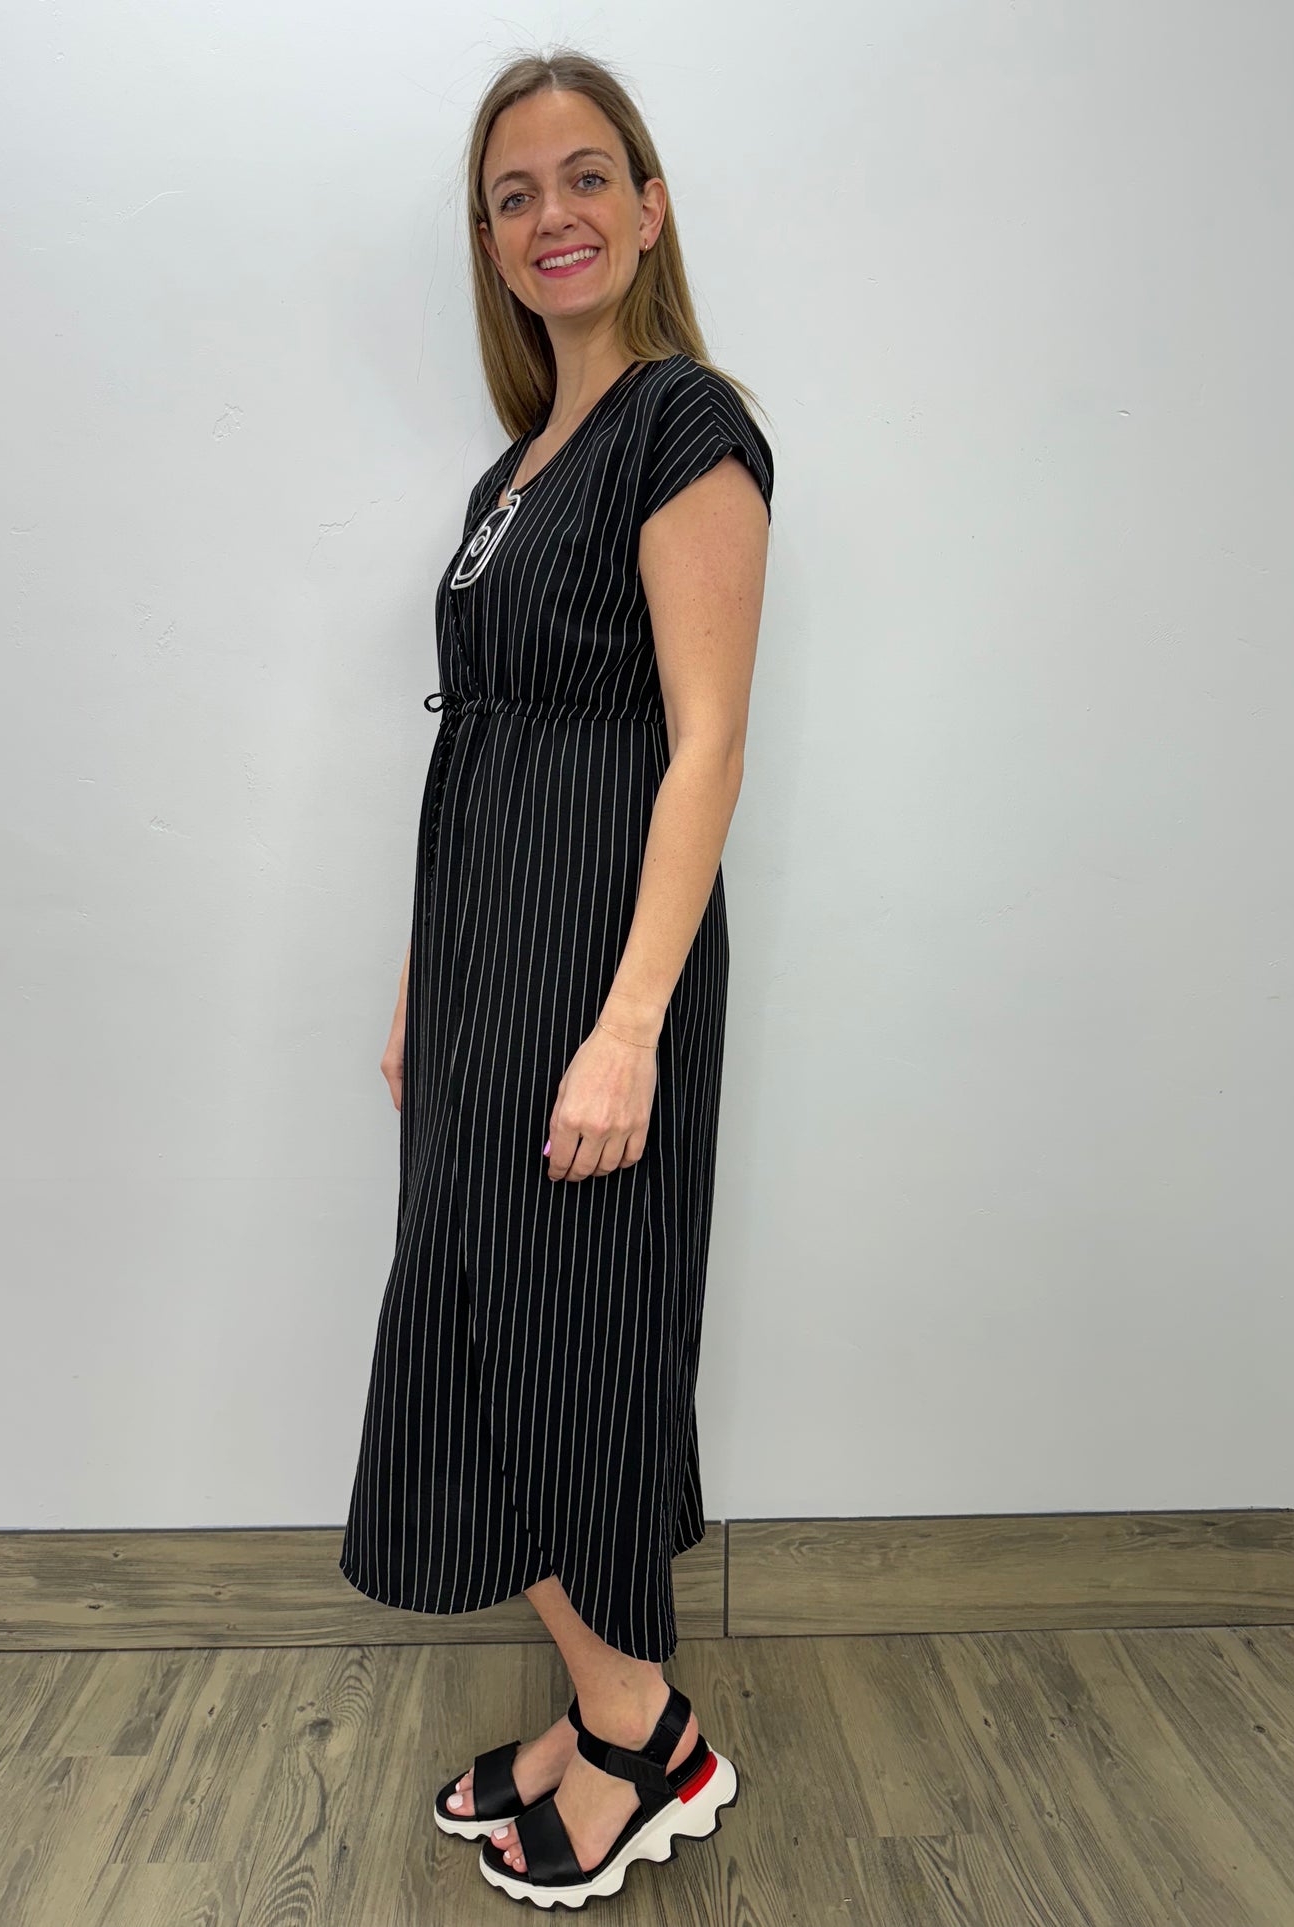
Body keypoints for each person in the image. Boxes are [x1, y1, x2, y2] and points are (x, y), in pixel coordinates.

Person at [338, 46, 774, 1907]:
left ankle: (637, 1737)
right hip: (487, 952)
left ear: (648, 204)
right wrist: (424, 989)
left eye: (585, 177)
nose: (551, 216)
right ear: (489, 241)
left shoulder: (688, 424)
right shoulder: (516, 465)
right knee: (470, 1327)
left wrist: (626, 1024)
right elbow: (480, 745)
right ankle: (620, 1713)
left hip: (600, 958)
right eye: (513, 194)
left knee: (569, 1343)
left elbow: (704, 749)